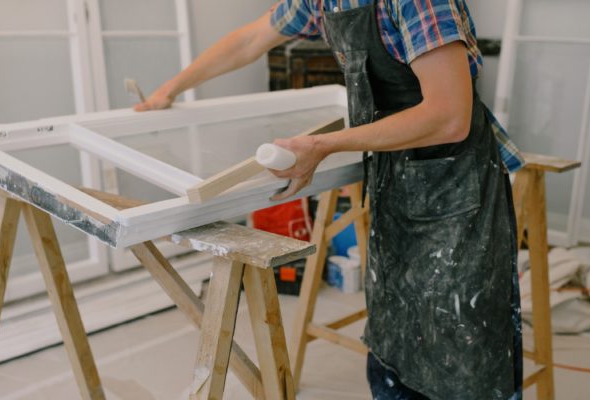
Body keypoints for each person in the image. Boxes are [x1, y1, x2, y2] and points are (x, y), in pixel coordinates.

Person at [136, 1, 524, 398]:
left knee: (459, 340)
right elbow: (251, 39)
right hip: (395, 176)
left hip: (455, 185)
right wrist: (170, 90)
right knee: (396, 328)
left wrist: (323, 145)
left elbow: (449, 116)